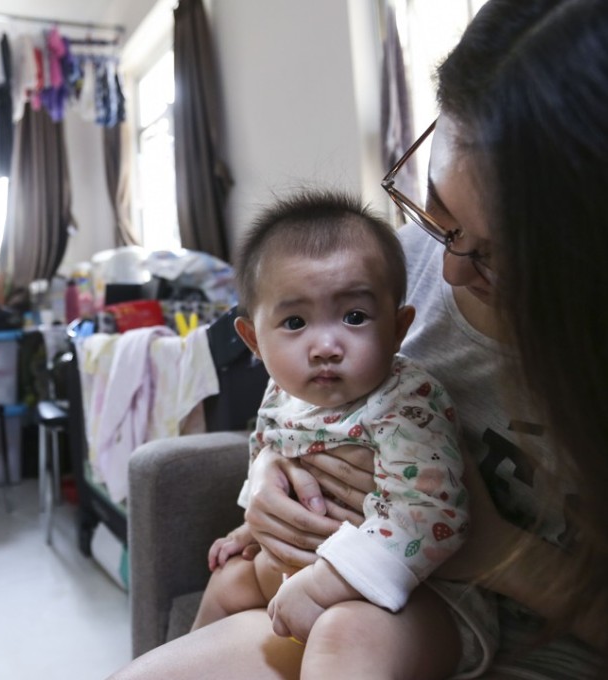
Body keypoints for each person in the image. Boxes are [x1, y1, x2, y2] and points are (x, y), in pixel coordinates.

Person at [109, 1, 607, 677]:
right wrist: (265, 499)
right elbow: (279, 437)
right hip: (327, 580)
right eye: (438, 214)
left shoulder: (404, 383)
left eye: (499, 255)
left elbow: (429, 512)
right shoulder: (389, 270)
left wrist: (496, 552)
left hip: (440, 614)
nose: (450, 270)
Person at [193, 190, 497, 679]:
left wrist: (324, 583)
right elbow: (270, 449)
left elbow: (432, 517)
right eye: (295, 322)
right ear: (254, 340)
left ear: (398, 329)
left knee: (344, 635)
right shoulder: (281, 390)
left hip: (414, 597)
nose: (326, 346)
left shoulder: (406, 402)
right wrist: (252, 524)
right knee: (226, 581)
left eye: (354, 317)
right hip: (297, 571)